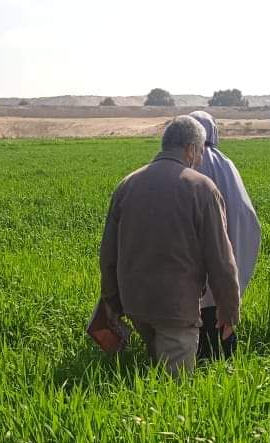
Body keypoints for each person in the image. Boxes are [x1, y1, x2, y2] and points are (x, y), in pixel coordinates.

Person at [99, 115, 240, 375]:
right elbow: (221, 259)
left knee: (154, 373)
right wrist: (229, 310)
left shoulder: (127, 184)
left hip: (136, 304)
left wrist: (111, 304)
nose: (200, 160)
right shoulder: (202, 189)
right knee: (175, 388)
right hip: (176, 307)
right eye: (200, 153)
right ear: (191, 149)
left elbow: (108, 254)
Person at [189, 111, 261, 360]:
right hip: (226, 255)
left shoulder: (188, 162)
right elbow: (244, 213)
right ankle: (226, 365)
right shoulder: (226, 164)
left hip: (195, 264)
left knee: (199, 320)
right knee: (221, 313)